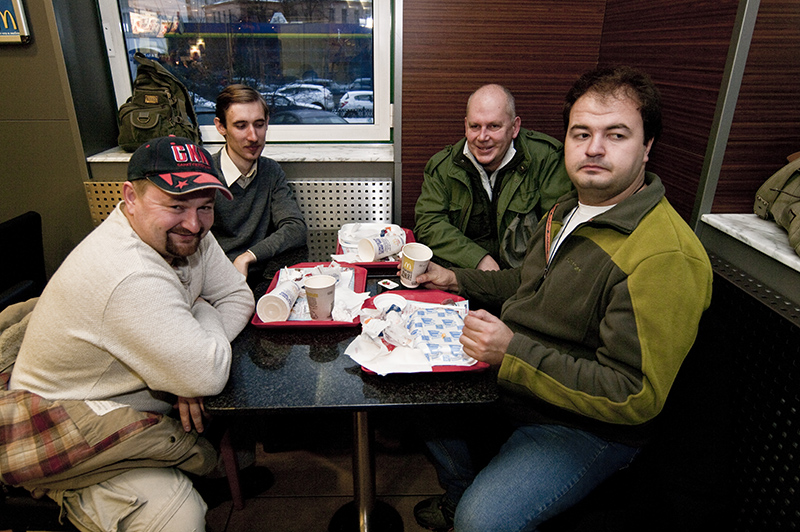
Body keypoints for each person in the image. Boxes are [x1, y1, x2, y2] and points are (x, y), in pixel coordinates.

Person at [411, 66, 713, 532]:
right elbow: (526, 283)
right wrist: (455, 279)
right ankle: (460, 491)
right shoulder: (567, 209)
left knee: (481, 521)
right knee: (418, 396)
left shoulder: (664, 254)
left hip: (586, 425)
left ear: (647, 146)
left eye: (616, 135)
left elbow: (632, 394)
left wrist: (512, 352)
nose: (594, 148)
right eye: (581, 133)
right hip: (522, 384)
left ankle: (468, 505)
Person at [8, 136, 255, 532]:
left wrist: (189, 355)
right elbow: (206, 374)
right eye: (175, 205)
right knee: (180, 518)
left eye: (205, 206)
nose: (194, 224)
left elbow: (238, 296)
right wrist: (197, 331)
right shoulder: (129, 273)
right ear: (130, 197)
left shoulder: (188, 235)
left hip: (132, 401)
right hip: (65, 420)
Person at [414, 84, 573, 271]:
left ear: (514, 127)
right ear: (465, 126)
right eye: (475, 126)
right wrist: (478, 260)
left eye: (493, 126)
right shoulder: (443, 167)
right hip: (465, 276)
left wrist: (508, 281)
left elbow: (558, 230)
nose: (482, 137)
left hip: (526, 279)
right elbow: (429, 223)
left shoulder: (547, 159)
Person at [211, 84, 307, 283]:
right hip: (218, 281)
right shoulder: (205, 175)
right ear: (221, 127)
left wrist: (247, 257)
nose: (253, 137)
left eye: (259, 124)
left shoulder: (270, 171)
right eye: (241, 126)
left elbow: (295, 228)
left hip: (263, 276)